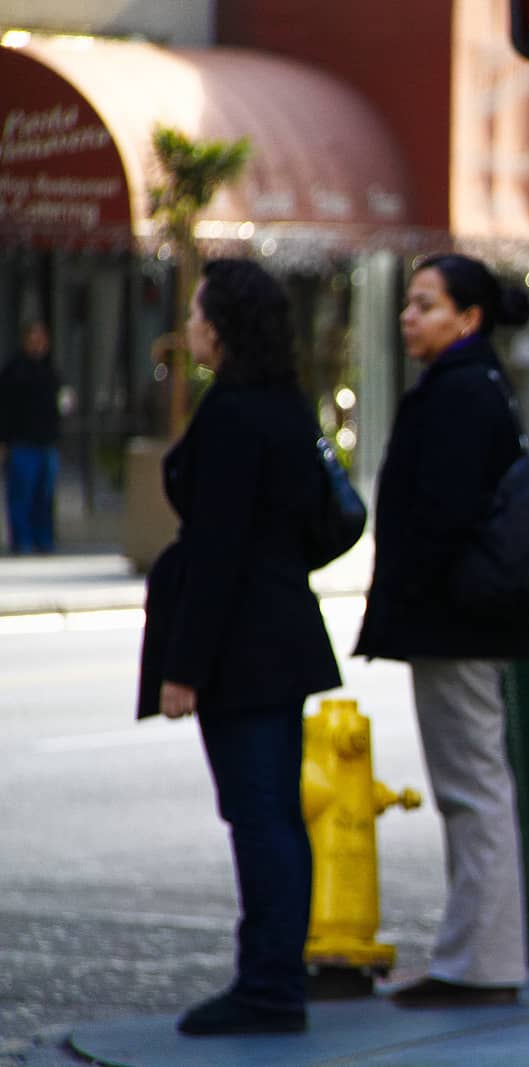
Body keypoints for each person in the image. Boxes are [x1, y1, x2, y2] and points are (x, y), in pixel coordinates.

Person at [136, 259, 343, 1036]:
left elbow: (219, 550)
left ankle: (268, 986)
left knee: (258, 818)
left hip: (243, 647)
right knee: (275, 817)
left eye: (195, 314)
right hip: (280, 630)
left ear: (218, 330)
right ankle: (274, 978)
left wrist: (184, 669)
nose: (188, 325)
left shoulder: (232, 415)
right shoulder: (287, 404)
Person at [355, 253, 529, 1008]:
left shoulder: (460, 393)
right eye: (409, 303)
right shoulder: (467, 384)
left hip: (457, 623)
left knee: (473, 789)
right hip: (461, 619)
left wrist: (417, 591)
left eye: (425, 304)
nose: (408, 315)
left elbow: (444, 514)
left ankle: (481, 962)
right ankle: (475, 954)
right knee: (472, 787)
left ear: (468, 318)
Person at [0, 320, 62, 553]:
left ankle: (44, 540)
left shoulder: (50, 370)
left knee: (44, 497)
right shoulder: (14, 371)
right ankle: (22, 541)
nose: (38, 344)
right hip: (22, 443)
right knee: (21, 496)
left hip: (46, 443)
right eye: (33, 339)